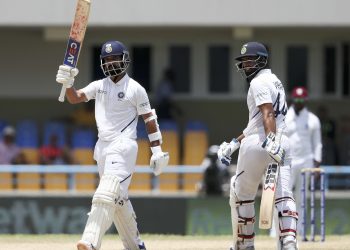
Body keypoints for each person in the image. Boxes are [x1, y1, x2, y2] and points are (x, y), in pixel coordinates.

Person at [56, 40, 169, 250]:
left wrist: (157, 151)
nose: (110, 63)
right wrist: (67, 82)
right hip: (102, 148)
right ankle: (136, 246)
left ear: (124, 59)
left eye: (114, 58)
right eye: (106, 60)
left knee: (106, 193)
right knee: (118, 199)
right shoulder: (99, 86)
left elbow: (149, 120)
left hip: (124, 146)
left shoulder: (136, 89)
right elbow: (75, 98)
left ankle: (90, 241)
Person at [217, 42, 298, 250]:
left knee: (241, 194)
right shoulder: (275, 81)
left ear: (262, 60)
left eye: (250, 60)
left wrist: (269, 141)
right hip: (282, 142)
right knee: (284, 195)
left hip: (261, 143)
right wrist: (234, 144)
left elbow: (267, 113)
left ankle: (245, 244)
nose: (246, 65)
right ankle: (289, 243)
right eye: (243, 61)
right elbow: (255, 122)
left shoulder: (257, 83)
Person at [285, 86, 322, 235]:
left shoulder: (313, 119)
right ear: (292, 100)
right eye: (296, 99)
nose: (299, 102)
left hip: (306, 161)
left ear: (306, 100)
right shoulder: (284, 117)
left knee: (301, 198)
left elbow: (317, 143)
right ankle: (278, 231)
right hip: (288, 161)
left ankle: (298, 231)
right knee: (284, 197)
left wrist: (317, 164)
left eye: (302, 99)